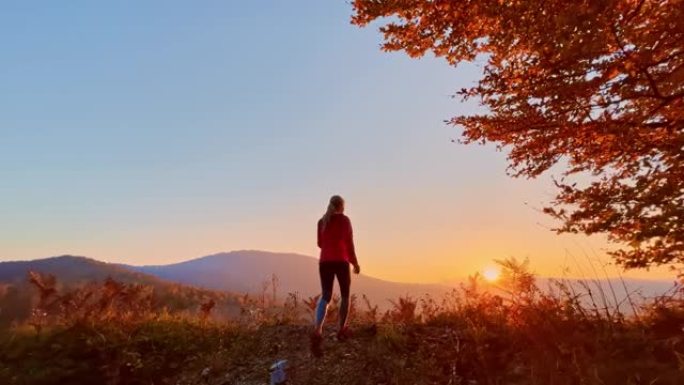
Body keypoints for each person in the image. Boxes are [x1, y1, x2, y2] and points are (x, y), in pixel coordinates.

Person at [310, 195, 360, 357]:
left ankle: (318, 330)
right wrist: (355, 263)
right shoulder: (345, 221)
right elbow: (349, 244)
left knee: (325, 295)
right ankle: (341, 329)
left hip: (325, 262)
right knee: (345, 295)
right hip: (341, 261)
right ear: (342, 207)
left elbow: (320, 243)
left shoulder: (321, 222)